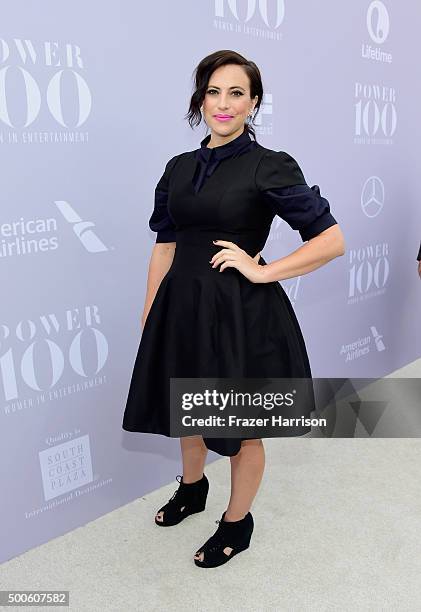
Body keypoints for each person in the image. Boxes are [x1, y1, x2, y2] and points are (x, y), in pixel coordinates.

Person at [122, 50, 345, 568]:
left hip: (240, 314)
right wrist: (153, 304)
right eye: (213, 92)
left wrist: (263, 270)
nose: (223, 104)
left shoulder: (270, 164)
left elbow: (330, 240)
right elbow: (165, 243)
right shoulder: (177, 168)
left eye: (236, 93)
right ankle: (192, 487)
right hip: (181, 306)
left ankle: (237, 522)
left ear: (254, 102)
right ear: (200, 100)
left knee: (242, 425)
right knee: (189, 409)